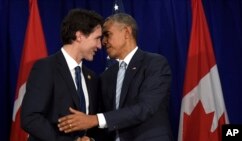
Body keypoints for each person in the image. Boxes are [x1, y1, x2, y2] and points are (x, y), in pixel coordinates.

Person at [58, 13, 173, 141]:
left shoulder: (154, 64)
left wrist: (95, 119)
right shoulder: (107, 76)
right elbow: (106, 119)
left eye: (107, 34)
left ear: (126, 32)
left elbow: (145, 107)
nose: (103, 42)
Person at [21, 9, 103, 141]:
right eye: (97, 38)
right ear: (79, 36)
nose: (99, 46)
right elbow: (30, 118)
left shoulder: (92, 77)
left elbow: (91, 122)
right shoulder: (46, 68)